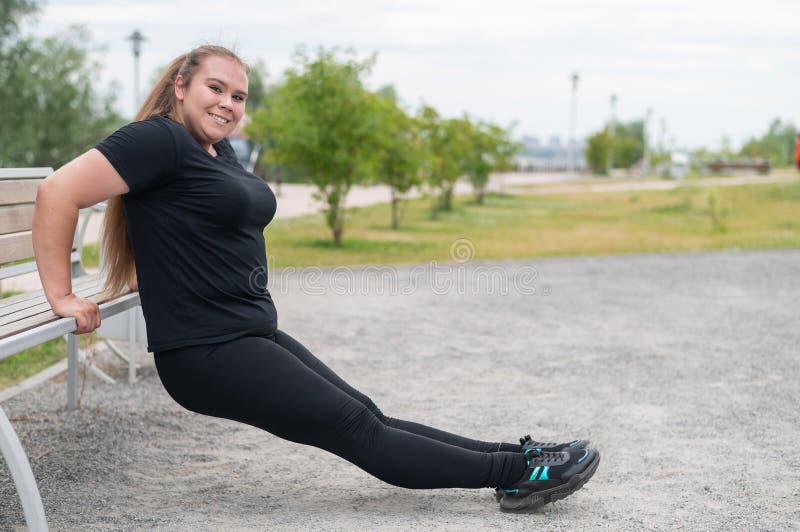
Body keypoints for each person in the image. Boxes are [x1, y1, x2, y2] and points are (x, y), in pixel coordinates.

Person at [32, 44, 599, 513]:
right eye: (215, 89)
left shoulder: (216, 151)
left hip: (245, 333)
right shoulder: (158, 139)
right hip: (207, 350)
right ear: (180, 85)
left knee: (367, 415)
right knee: (359, 431)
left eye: (238, 97)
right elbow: (58, 191)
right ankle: (518, 475)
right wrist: (61, 293)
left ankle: (518, 460)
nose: (228, 104)